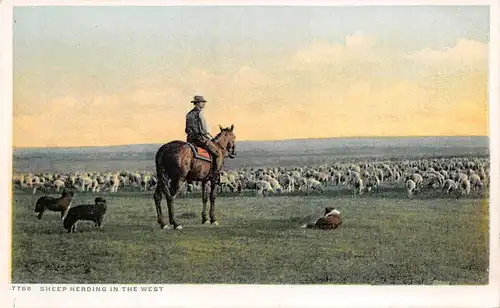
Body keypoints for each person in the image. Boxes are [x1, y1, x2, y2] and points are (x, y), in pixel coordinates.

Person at [185, 95, 222, 183]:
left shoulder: (189, 114)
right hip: (200, 139)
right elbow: (204, 130)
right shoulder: (200, 113)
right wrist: (209, 136)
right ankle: (215, 175)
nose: (204, 104)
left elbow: (186, 129)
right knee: (218, 153)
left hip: (190, 139)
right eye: (202, 102)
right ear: (197, 103)